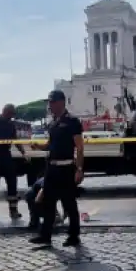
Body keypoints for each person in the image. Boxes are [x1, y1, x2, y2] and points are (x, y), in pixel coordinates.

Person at [29, 90, 84, 247]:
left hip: (66, 169)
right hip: (51, 169)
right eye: (49, 102)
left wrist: (79, 169)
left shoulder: (73, 122)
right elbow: (50, 145)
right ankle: (45, 236)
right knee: (47, 203)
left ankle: (74, 236)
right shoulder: (53, 123)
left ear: (61, 102)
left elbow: (80, 147)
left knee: (69, 204)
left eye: (52, 102)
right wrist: (38, 146)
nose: (50, 105)